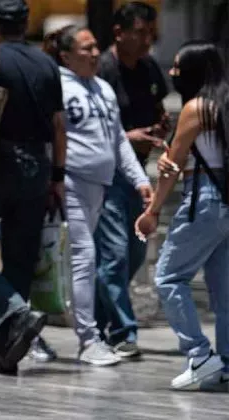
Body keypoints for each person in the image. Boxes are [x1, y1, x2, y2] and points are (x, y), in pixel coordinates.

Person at [0, 0, 65, 375]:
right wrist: (57, 177)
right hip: (37, 168)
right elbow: (59, 125)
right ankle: (4, 355)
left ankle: (15, 311)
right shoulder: (47, 63)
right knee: (19, 260)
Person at [43, 25, 152, 366]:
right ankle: (89, 341)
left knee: (74, 261)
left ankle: (33, 332)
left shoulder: (103, 88)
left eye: (95, 47)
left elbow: (117, 139)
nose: (94, 54)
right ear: (66, 56)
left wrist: (139, 179)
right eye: (86, 49)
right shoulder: (56, 86)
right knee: (84, 258)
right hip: (70, 184)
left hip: (99, 187)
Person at [139, 41, 229, 391]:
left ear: (195, 70)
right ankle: (226, 363)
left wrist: (152, 211)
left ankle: (199, 355)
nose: (172, 72)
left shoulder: (196, 108)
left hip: (206, 198)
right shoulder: (223, 105)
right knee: (223, 289)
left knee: (168, 276)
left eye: (178, 67)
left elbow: (171, 167)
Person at [93, 1, 169, 360]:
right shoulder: (101, 71)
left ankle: (98, 321)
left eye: (150, 33)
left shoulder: (149, 68)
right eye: (140, 33)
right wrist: (128, 137)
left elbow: (158, 107)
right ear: (119, 33)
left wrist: (159, 127)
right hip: (106, 175)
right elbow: (88, 129)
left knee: (134, 251)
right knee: (114, 255)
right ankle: (124, 332)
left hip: (137, 175)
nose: (146, 40)